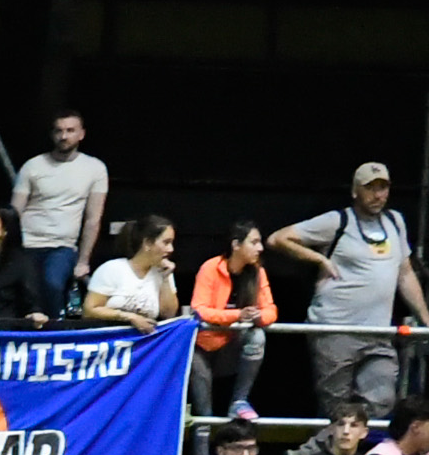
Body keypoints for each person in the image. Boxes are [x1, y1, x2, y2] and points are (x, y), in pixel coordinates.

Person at [273, 165, 426, 420]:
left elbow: (406, 273)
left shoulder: (395, 222)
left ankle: (331, 451)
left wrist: (425, 317)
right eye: (370, 188)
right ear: (356, 191)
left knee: (383, 400)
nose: (378, 195)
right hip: (335, 330)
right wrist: (319, 260)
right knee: (336, 410)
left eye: (383, 187)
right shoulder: (338, 220)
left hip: (377, 333)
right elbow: (280, 238)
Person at [9, 111, 108, 316]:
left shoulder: (95, 168)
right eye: (59, 131)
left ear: (81, 134)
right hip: (27, 243)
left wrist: (83, 260)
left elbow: (93, 219)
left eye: (70, 131)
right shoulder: (33, 165)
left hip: (61, 246)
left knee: (52, 284)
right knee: (24, 292)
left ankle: (54, 335)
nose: (64, 136)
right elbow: (15, 211)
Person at [189, 221, 276, 420]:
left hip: (231, 348)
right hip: (203, 348)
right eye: (254, 242)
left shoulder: (257, 272)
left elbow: (271, 310)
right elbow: (199, 310)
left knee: (257, 335)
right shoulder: (210, 267)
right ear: (236, 245)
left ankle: (239, 401)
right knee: (204, 413)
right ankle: (202, 451)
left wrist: (258, 317)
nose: (260, 248)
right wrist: (237, 315)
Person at [82, 215, 176, 329]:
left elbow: (168, 314)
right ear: (147, 243)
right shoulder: (112, 269)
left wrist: (166, 279)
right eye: (166, 242)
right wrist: (129, 317)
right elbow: (89, 310)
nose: (171, 249)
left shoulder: (163, 272)